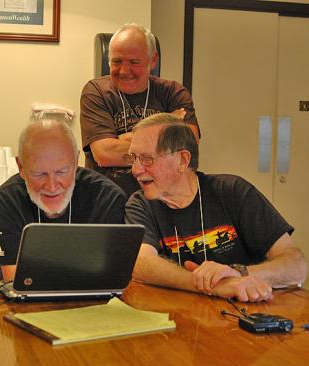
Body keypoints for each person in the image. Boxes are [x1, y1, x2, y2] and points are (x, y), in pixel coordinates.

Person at [125, 113, 307, 302]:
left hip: (247, 311)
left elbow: (295, 265)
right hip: (182, 314)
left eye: (146, 159)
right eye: (133, 158)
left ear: (182, 160)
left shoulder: (232, 191)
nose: (136, 170)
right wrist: (213, 284)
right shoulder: (140, 204)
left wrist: (237, 274)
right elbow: (140, 264)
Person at [0, 119, 126, 281]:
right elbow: (15, 280)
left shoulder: (107, 197)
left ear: (76, 161)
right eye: (39, 174)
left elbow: (112, 277)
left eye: (62, 172)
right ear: (20, 166)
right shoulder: (9, 199)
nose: (52, 186)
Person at [80, 23, 199, 199]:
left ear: (153, 60)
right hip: (108, 201)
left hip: (163, 201)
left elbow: (187, 148)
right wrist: (166, 134)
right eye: (117, 61)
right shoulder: (96, 91)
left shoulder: (173, 93)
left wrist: (121, 139)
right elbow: (104, 153)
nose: (124, 71)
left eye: (134, 62)